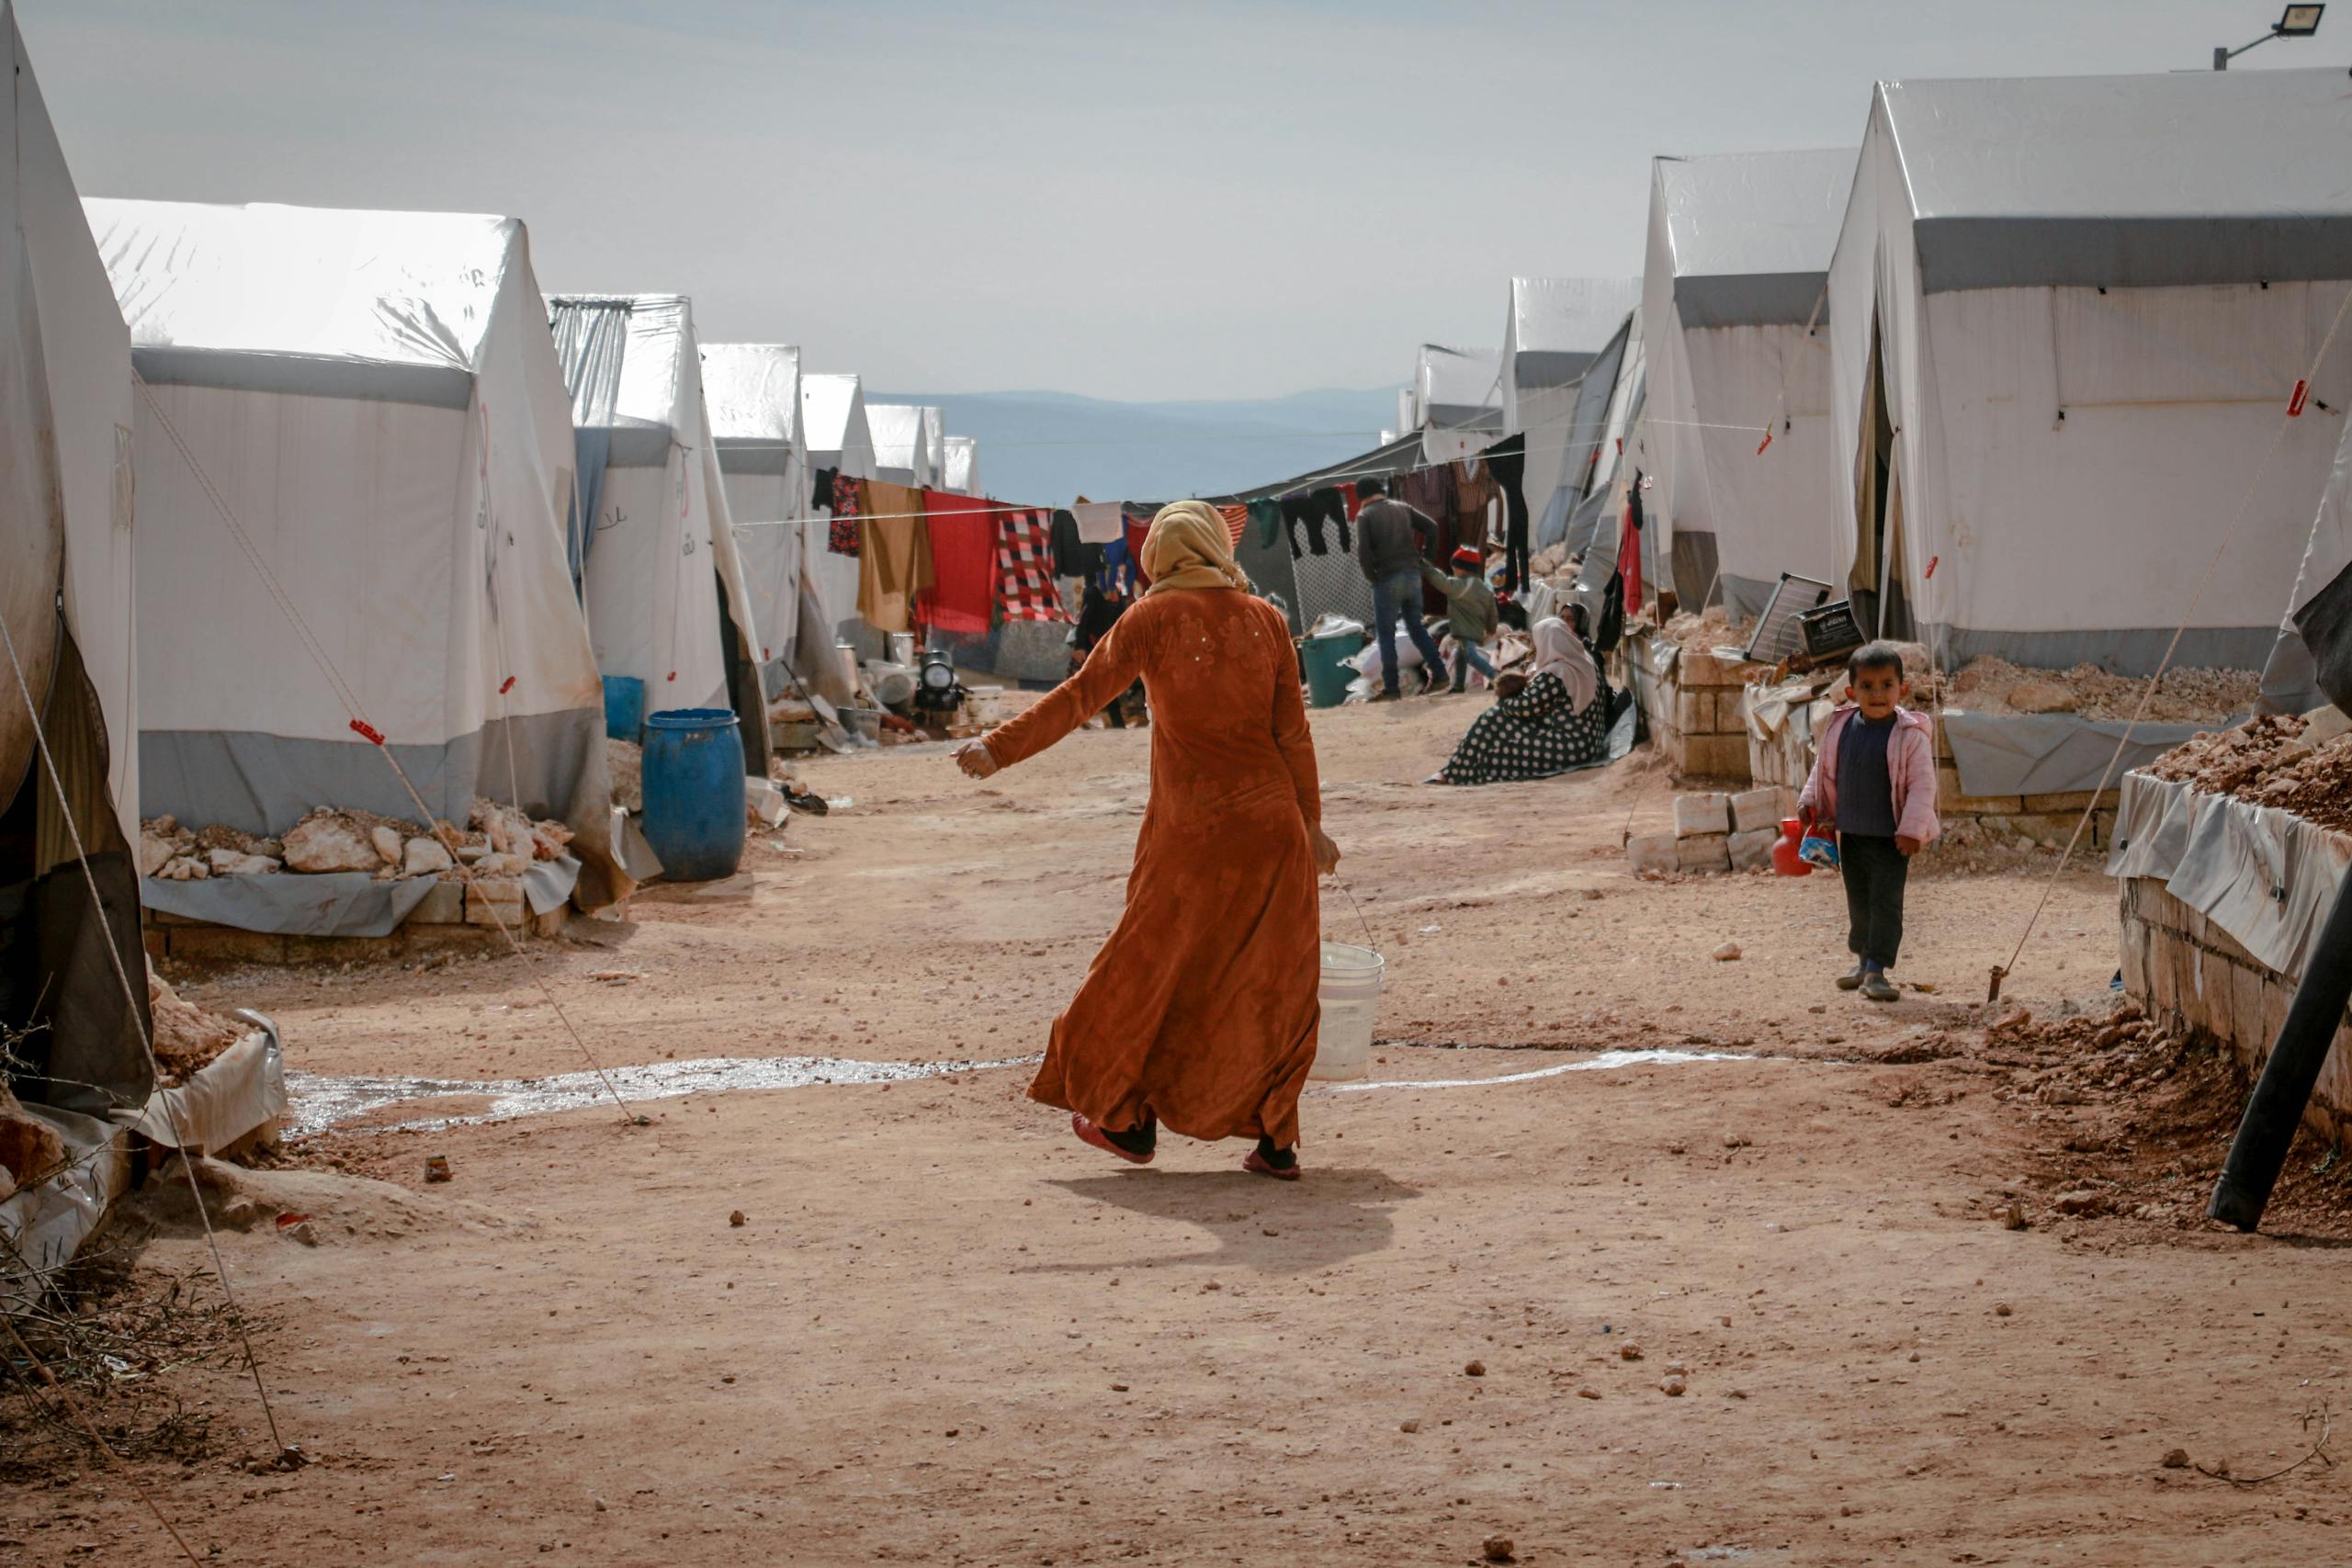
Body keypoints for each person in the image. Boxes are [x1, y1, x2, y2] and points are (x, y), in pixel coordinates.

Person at [955, 501, 1340, 1179]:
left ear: (1160, 555)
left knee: (1141, 972)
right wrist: (1311, 826)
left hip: (1191, 838)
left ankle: (1127, 1120)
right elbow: (1294, 736)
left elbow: (1080, 696)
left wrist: (998, 747)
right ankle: (1277, 1139)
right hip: (1273, 831)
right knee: (1271, 982)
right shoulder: (1268, 620)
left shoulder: (1149, 619)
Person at [1795, 642, 1940, 1002]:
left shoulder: (1910, 735)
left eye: (1886, 685)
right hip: (1853, 834)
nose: (1878, 694)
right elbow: (1824, 767)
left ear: (1901, 689)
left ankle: (1877, 969)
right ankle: (1862, 962)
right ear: (1851, 691)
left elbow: (1923, 786)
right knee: (1858, 899)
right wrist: (1809, 800)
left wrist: (1911, 831)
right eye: (1868, 686)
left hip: (1891, 840)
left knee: (1885, 902)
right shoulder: (1842, 726)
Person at [1430, 616, 1611, 785]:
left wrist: (1504, 701)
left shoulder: (1556, 674)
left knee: (1493, 719)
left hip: (1569, 749)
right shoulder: (1585, 663)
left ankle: (1453, 773)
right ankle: (1457, 770)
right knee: (1499, 729)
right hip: (1589, 742)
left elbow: (1525, 708)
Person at [1352, 477, 1448, 700]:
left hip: (1387, 579)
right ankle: (1441, 673)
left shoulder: (1365, 516)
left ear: (1361, 497)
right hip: (1413, 576)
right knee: (1417, 628)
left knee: (1386, 635)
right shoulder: (1402, 508)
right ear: (1381, 490)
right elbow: (1431, 528)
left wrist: (1372, 577)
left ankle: (1393, 689)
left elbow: (1364, 553)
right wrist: (1427, 559)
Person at [1419, 546, 1499, 693]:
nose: (1453, 570)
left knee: (1470, 656)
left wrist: (1426, 567)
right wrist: (1491, 628)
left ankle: (1496, 678)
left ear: (1461, 568)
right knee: (1460, 656)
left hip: (1465, 629)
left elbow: (1442, 582)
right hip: (1476, 628)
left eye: (1454, 567)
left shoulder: (1461, 587)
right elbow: (1492, 610)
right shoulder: (1482, 587)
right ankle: (1458, 685)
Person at [1071, 576, 1143, 728]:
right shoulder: (1093, 593)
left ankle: (1117, 721)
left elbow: (1122, 621)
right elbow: (1083, 622)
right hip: (1091, 646)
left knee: (1110, 685)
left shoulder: (1121, 593)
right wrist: (1079, 646)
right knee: (1087, 684)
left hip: (1110, 646)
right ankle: (1087, 719)